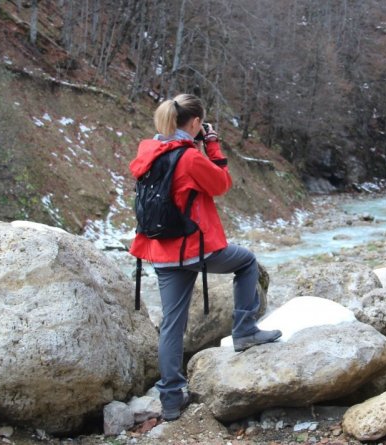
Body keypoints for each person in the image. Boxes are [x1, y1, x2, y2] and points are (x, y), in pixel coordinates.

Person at [128, 94, 281, 421]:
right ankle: (244, 330)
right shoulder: (189, 157)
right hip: (196, 247)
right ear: (195, 123)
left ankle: (170, 398)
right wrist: (212, 145)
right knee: (246, 262)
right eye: (202, 124)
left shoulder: (148, 153)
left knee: (172, 322)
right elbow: (221, 183)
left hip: (161, 251)